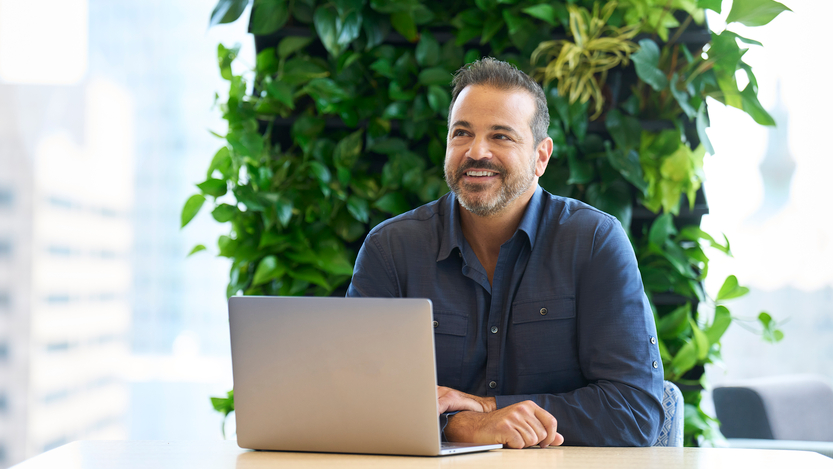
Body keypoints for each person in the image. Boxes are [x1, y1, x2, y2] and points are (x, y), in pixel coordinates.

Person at [346, 57, 664, 448]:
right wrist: (462, 426)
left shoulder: (594, 241)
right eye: (461, 133)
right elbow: (353, 398)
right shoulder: (391, 249)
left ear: (541, 156)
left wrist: (488, 408)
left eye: (501, 136)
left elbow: (634, 412)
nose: (476, 151)